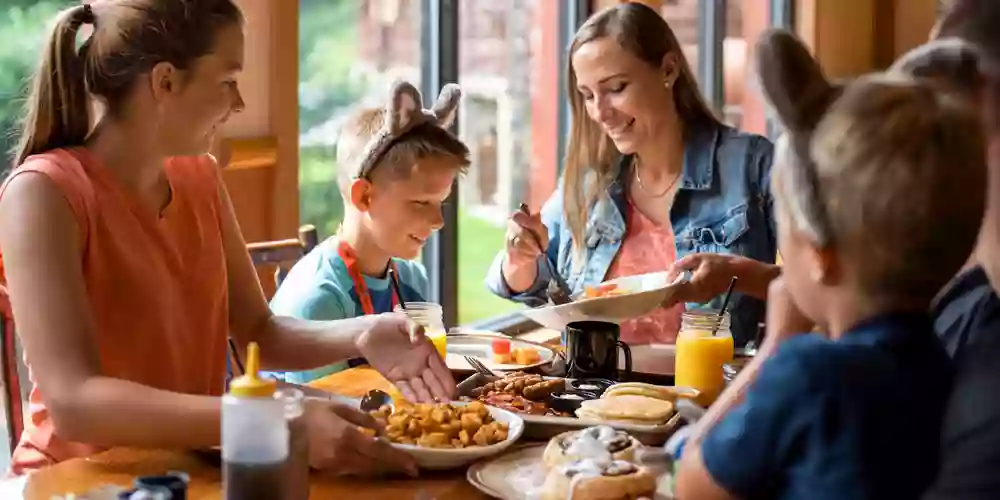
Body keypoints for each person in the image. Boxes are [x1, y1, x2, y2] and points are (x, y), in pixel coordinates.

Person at [0, 0, 453, 477]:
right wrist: (266, 417)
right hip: (76, 481)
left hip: (191, 470)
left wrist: (363, 331)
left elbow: (261, 332)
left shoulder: (200, 177)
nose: (238, 103)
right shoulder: (43, 193)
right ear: (166, 82)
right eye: (227, 81)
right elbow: (75, 401)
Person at [675, 29, 984, 500]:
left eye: (785, 228)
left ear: (820, 256)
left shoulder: (811, 373)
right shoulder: (945, 363)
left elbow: (693, 486)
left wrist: (777, 343)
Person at [485, 2, 777, 346]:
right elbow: (528, 284)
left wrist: (740, 275)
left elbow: (832, 287)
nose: (599, 112)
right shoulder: (591, 182)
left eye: (616, 88)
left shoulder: (752, 164)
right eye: (587, 95)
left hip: (711, 395)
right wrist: (519, 256)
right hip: (596, 394)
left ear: (668, 69)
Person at [266, 81, 469, 383]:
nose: (439, 220)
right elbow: (327, 415)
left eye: (441, 203)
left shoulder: (412, 280)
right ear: (364, 197)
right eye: (421, 202)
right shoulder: (319, 301)